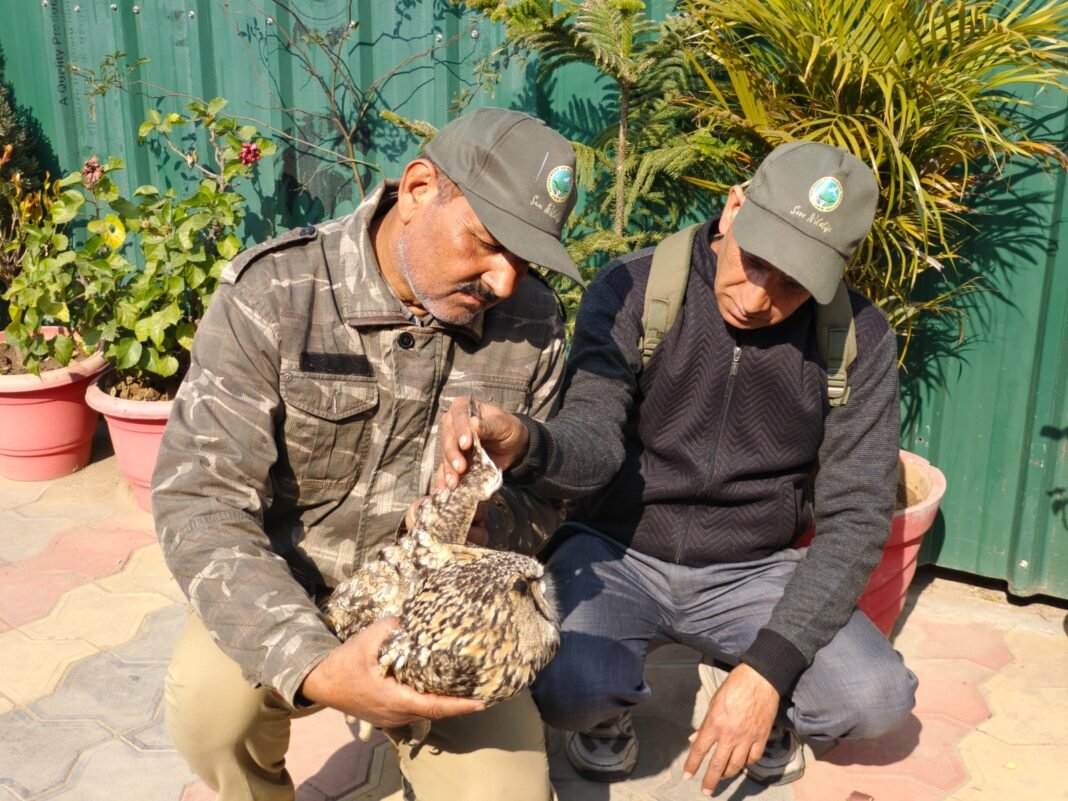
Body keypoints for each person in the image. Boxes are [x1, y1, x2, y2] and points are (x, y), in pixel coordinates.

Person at [438, 141, 919, 794]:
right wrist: (525, 442)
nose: (756, 299)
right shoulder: (635, 288)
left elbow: (858, 514)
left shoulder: (858, 338)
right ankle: (602, 717)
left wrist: (768, 672)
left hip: (755, 566)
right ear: (734, 207)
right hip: (618, 550)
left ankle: (758, 688)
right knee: (563, 685)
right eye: (754, 261)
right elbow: (593, 441)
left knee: (874, 696)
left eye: (792, 283)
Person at [151, 107, 580, 801]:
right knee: (210, 715)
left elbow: (545, 499)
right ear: (417, 191)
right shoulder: (277, 293)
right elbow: (199, 500)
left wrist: (484, 528)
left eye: (523, 261)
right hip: (286, 589)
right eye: (487, 242)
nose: (503, 282)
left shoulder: (533, 323)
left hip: (437, 612)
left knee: (504, 792)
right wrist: (315, 665)